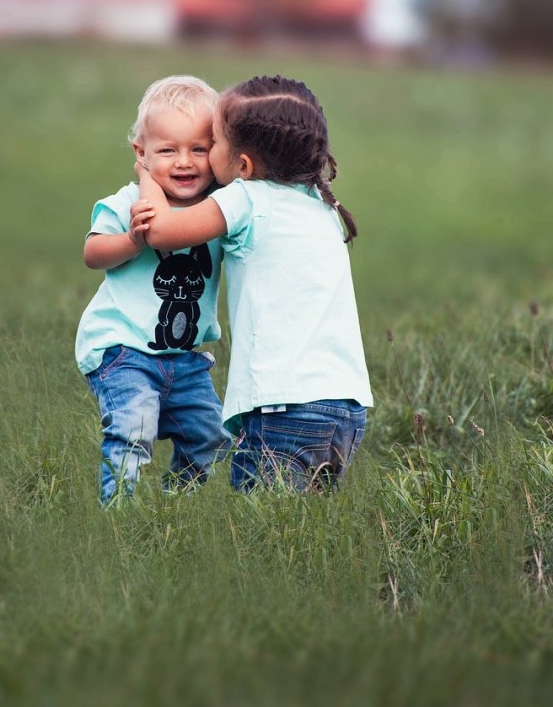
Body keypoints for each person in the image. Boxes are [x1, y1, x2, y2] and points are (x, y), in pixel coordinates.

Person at [131, 74, 372, 493]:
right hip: (346, 408)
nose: (205, 157)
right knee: (304, 534)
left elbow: (160, 231)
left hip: (282, 408)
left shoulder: (246, 198)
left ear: (243, 165)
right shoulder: (321, 204)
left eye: (213, 143)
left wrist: (147, 171)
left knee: (264, 536)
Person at [76, 75, 230, 503]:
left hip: (185, 358)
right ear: (141, 154)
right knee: (133, 429)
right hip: (123, 349)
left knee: (210, 439)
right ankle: (118, 518)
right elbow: (92, 252)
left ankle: (174, 508)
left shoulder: (218, 208)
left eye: (199, 149)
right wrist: (132, 240)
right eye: (168, 150)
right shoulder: (129, 202)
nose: (185, 162)